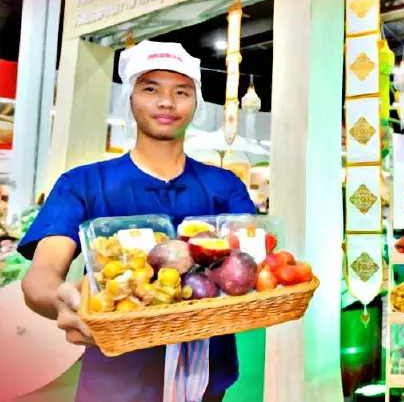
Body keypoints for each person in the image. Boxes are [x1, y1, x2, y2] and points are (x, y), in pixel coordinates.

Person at [19, 40, 256, 402]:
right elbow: (42, 274)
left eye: (182, 91)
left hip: (208, 377)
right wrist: (60, 299)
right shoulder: (83, 184)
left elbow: (250, 264)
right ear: (130, 97)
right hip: (115, 380)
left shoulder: (225, 186)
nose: (167, 102)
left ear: (196, 103)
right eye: (150, 88)